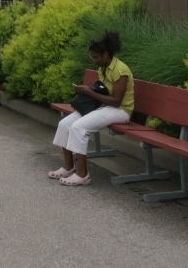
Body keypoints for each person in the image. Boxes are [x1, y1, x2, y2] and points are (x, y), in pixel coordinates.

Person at [49, 31, 134, 186]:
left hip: (121, 111)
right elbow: (103, 92)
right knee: (65, 124)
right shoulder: (103, 68)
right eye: (92, 57)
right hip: (104, 107)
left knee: (78, 127)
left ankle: (83, 175)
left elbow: (116, 101)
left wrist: (89, 92)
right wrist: (88, 91)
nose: (93, 60)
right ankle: (69, 167)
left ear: (106, 54)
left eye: (95, 57)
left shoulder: (120, 71)